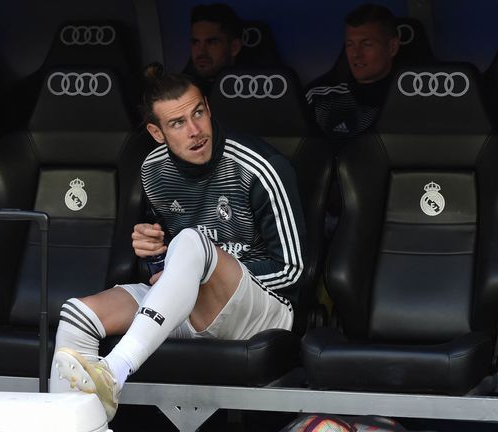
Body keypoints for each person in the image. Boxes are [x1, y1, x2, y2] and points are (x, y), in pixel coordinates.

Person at [50, 68, 306, 421]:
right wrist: (155, 254)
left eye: (198, 113)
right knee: (76, 315)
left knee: (191, 243)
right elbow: (165, 268)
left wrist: (199, 268)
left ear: (209, 109)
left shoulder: (260, 166)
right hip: (187, 304)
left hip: (261, 311)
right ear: (156, 132)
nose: (195, 131)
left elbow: (293, 270)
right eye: (177, 123)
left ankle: (114, 370)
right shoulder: (153, 171)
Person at [305, 3, 400, 142]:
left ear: (392, 47)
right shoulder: (318, 97)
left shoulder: (407, 100)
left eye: (366, 44)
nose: (356, 54)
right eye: (350, 44)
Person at [182, 3, 243, 94]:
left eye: (211, 42)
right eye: (196, 42)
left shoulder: (252, 90)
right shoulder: (179, 91)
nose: (201, 51)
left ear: (234, 47)